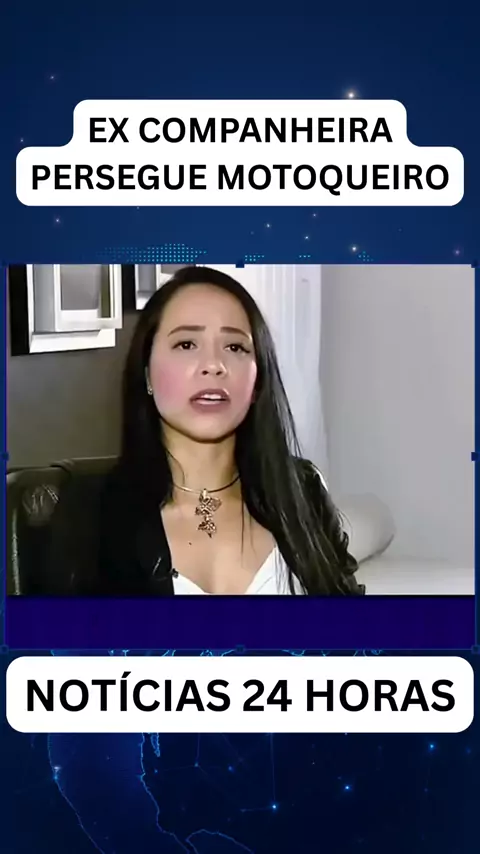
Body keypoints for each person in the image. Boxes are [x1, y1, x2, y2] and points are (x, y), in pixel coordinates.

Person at [99, 266, 365, 597]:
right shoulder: (94, 517)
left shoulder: (303, 494)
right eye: (186, 344)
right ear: (147, 374)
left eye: (235, 347)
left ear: (257, 381)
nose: (214, 365)